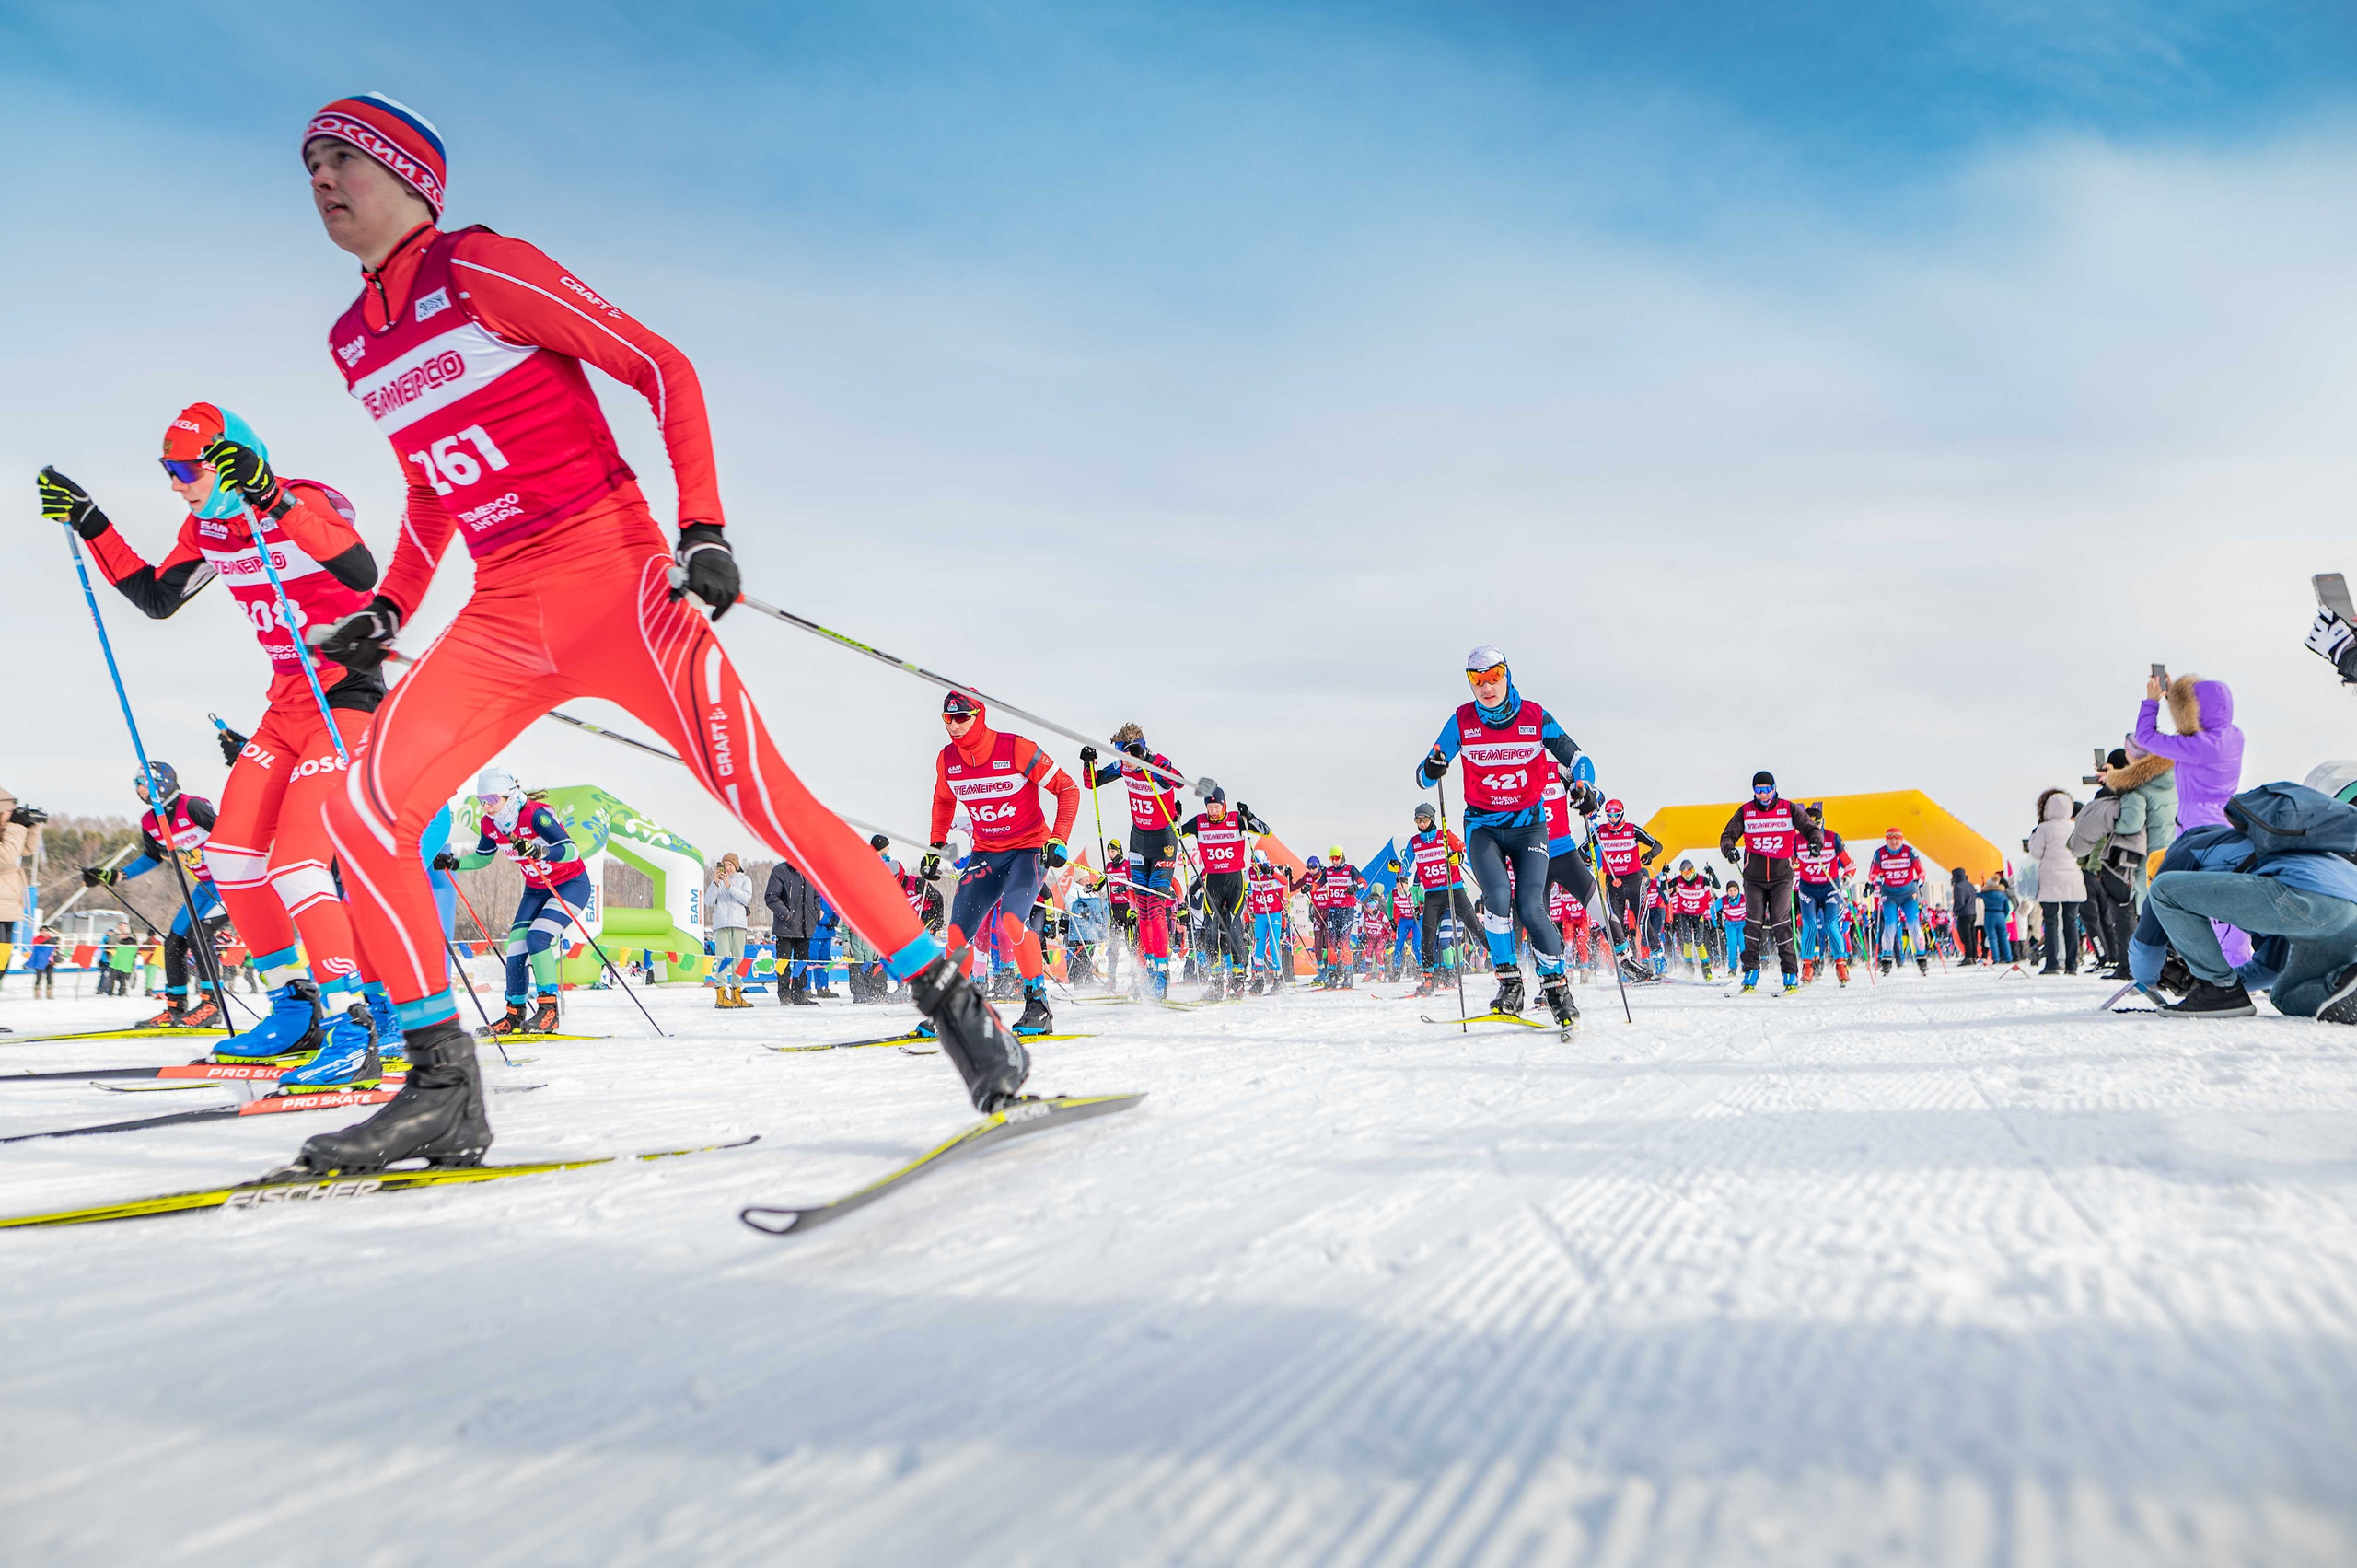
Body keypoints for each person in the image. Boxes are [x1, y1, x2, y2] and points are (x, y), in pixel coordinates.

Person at [292, 93, 1026, 1172]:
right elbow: (428, 482)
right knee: (363, 811)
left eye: (341, 157)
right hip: (503, 610)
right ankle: (443, 1084)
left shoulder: (481, 266)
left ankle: (955, 1003)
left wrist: (704, 528)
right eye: (307, 162)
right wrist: (392, 605)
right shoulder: (352, 339)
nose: (319, 178)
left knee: (765, 799)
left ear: (413, 178)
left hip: (618, 580)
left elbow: (660, 364)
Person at [39, 404, 393, 1083]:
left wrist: (271, 495)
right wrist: (91, 522)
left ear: (232, 457)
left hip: (344, 696)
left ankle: (358, 1025)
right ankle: (297, 1008)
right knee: (230, 856)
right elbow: (156, 598)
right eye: (167, 470)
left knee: (296, 863)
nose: (176, 482)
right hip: (287, 702)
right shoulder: (208, 525)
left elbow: (358, 569)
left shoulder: (301, 498)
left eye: (185, 468)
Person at [1413, 646, 1582, 1028]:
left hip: (1529, 827)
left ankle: (1557, 990)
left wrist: (1584, 786)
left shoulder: (1534, 717)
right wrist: (1433, 766)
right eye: (1477, 680)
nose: (1487, 687)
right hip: (1483, 826)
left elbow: (1577, 758)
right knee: (1496, 899)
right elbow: (1424, 776)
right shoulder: (1462, 720)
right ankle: (1510, 985)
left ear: (1507, 675)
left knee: (1531, 905)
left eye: (1494, 677)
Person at [2133, 782, 2357, 1021]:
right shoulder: (2261, 856)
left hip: (2309, 899)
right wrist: (2204, 982)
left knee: (2164, 891)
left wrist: (2149, 978)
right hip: (2342, 912)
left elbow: (2148, 941)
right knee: (2285, 994)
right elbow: (2269, 969)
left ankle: (2218, 989)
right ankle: (2345, 986)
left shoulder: (2184, 850)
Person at [928, 691, 1079, 1033]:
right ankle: (954, 1010)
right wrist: (936, 844)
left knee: (1013, 921)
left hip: (1028, 850)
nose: (953, 725)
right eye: (947, 719)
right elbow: (942, 800)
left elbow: (1068, 788)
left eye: (962, 717)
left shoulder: (1014, 748)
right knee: (956, 932)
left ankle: (1037, 1005)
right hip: (986, 853)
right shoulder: (947, 760)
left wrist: (1059, 838)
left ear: (979, 715)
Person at [81, 765, 233, 1031]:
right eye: (136, 783)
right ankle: (176, 1007)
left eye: (143, 782)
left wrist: (195, 855)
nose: (139, 789)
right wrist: (115, 875)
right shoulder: (150, 821)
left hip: (230, 883)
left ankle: (211, 1006)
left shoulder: (193, 806)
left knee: (198, 936)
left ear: (162, 782)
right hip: (204, 886)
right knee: (173, 942)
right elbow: (152, 857)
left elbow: (229, 836)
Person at [449, 768, 593, 1035]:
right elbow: (482, 857)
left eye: (491, 798)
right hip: (536, 889)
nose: (486, 806)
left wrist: (540, 850)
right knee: (515, 947)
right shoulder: (489, 824)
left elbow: (571, 851)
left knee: (537, 937)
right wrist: (454, 863)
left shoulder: (535, 815)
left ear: (508, 795)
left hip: (570, 885)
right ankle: (514, 1015)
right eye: (481, 800)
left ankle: (549, 1011)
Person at [1079, 724, 1188, 998]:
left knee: (1155, 906)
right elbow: (1092, 781)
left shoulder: (1155, 763)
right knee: (1141, 908)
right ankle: (1147, 970)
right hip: (1138, 840)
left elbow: (1178, 781)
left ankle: (1161, 972)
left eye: (1128, 754)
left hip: (1163, 841)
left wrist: (1149, 759)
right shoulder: (1124, 765)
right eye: (1122, 756)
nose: (1126, 762)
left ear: (1139, 747)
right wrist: (1088, 763)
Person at [1717, 771, 1823, 993]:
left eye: (1767, 789)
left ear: (1774, 788)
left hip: (1781, 877)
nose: (1763, 794)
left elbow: (1810, 828)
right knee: (1753, 923)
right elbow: (1727, 835)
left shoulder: (1788, 808)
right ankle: (1751, 972)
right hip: (1754, 878)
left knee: (1780, 922)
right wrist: (1730, 851)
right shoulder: (1746, 811)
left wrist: (1815, 843)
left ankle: (1790, 973)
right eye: (1758, 790)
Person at [1176, 786, 1267, 1000]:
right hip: (1213, 882)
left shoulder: (1236, 819)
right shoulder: (1200, 822)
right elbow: (1174, 832)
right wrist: (1174, 816)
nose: (1214, 811)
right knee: (1210, 929)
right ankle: (1216, 981)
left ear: (1224, 805)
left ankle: (1237, 978)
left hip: (1234, 881)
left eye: (1217, 807)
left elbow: (1265, 831)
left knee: (1234, 927)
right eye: (1210, 807)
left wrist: (1250, 817)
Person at [2133, 674, 2243, 830]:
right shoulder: (2235, 736)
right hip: (2226, 819)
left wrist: (2151, 702)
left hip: (2197, 824)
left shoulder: (2198, 747)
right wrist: (2175, 699)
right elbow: (2193, 729)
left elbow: (2144, 738)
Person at [1405, 802, 1481, 996]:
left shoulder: (1445, 836)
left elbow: (1465, 851)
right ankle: (1429, 979)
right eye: (1418, 820)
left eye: (1424, 820)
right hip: (1432, 895)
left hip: (1453, 890)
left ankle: (1503, 967)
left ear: (1432, 819)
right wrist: (1397, 866)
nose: (1421, 824)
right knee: (1427, 937)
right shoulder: (1414, 842)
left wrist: (1458, 857)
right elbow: (1406, 862)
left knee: (1475, 926)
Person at [1591, 800, 1661, 975]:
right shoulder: (1600, 832)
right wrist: (1585, 859)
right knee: (1617, 928)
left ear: (1622, 813)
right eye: (1609, 814)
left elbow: (1657, 845)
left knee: (1642, 923)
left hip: (1634, 882)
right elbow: (1582, 850)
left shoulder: (1632, 829)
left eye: (1616, 814)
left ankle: (1659, 960)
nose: (1613, 818)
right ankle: (1626, 967)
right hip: (1613, 885)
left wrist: (1650, 855)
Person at [2105, 743, 2177, 908]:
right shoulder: (2174, 781)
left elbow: (2132, 824)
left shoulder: (2137, 790)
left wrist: (2112, 824)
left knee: (2150, 912)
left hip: (2151, 858)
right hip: (2175, 851)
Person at [2026, 789, 2086, 976]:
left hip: (2050, 878)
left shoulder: (2044, 828)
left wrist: (2033, 838)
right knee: (2071, 922)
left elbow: (2036, 853)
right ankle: (2072, 964)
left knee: (2051, 922)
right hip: (2072, 877)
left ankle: (2052, 963)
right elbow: (2082, 850)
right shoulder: (2074, 826)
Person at [1794, 803, 1853, 984]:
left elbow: (1849, 864)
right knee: (1810, 926)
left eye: (1816, 825)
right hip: (1808, 890)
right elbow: (1788, 862)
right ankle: (1807, 966)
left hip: (1830, 889)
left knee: (1831, 924)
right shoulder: (1797, 840)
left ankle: (1841, 965)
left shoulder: (1833, 838)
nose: (1813, 829)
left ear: (1822, 823)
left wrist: (1847, 878)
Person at [1868, 828, 1931, 975]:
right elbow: (1872, 873)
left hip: (1909, 894)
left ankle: (1921, 958)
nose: (1894, 842)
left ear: (1901, 839)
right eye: (1891, 839)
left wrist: (1920, 881)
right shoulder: (1880, 853)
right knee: (1890, 925)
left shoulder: (1909, 852)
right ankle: (1887, 959)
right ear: (1886, 840)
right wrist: (1876, 879)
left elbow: (1921, 871)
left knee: (1914, 923)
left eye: (1897, 839)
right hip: (1889, 895)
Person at [765, 854, 823, 1007]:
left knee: (801, 963)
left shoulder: (810, 873)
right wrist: (787, 915)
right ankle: (784, 994)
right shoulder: (781, 871)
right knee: (783, 963)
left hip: (805, 928)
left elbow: (817, 896)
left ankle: (799, 993)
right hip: (786, 927)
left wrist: (816, 914)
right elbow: (771, 897)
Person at [706, 852, 753, 1008]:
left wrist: (729, 886)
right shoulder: (717, 882)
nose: (727, 868)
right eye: (725, 865)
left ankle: (737, 993)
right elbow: (708, 901)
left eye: (730, 865)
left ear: (736, 865)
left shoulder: (744, 880)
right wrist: (715, 883)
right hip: (721, 924)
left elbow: (746, 898)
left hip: (739, 923)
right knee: (723, 959)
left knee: (738, 959)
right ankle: (720, 994)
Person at [1666, 860, 1716, 980]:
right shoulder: (1679, 880)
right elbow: (1664, 887)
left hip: (1699, 915)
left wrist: (1712, 874)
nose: (1686, 875)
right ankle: (1689, 970)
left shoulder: (1702, 880)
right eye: (1684, 873)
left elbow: (1717, 885)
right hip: (1684, 915)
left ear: (1693, 871)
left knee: (1699, 942)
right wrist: (1664, 875)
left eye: (1689, 872)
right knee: (1687, 941)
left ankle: (1706, 969)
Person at [1980, 875, 2015, 966]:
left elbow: (1977, 894)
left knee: (1992, 938)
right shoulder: (2003, 894)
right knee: (2004, 938)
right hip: (2000, 915)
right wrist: (2004, 915)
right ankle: (2008, 957)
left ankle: (1996, 958)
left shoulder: (1985, 894)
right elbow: (2007, 908)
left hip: (1989, 915)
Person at [1950, 865, 1980, 964]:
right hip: (1972, 913)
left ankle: (1968, 957)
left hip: (1964, 914)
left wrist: (1955, 910)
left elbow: (1960, 902)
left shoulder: (1958, 887)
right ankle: (1974, 955)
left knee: (1966, 936)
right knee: (1972, 936)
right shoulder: (1970, 885)